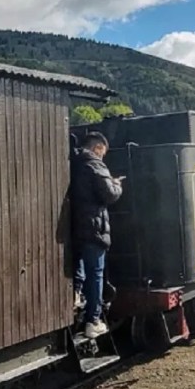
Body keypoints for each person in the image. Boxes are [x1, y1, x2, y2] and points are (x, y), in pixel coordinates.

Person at [70, 132, 123, 338]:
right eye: (103, 152)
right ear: (98, 147)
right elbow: (108, 194)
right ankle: (93, 320)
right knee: (96, 273)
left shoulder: (74, 162)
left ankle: (76, 296)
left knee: (78, 266)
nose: (103, 157)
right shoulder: (95, 164)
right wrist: (116, 184)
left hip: (75, 226)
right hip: (94, 227)